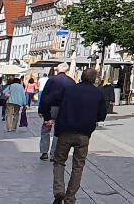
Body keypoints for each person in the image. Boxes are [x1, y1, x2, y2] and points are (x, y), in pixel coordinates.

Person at [51, 67, 109, 204]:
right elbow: (102, 115)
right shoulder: (98, 93)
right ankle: (70, 197)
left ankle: (59, 190)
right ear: (94, 79)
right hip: (84, 134)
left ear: (81, 76)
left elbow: (57, 105)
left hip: (65, 131)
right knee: (78, 166)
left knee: (59, 161)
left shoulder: (69, 90)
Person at [38, 64, 77, 160]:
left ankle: (44, 152)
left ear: (58, 70)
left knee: (46, 129)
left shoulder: (51, 80)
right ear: (67, 70)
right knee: (58, 132)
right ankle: (54, 154)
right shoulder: (71, 82)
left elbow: (44, 95)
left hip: (50, 108)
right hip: (64, 110)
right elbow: (74, 98)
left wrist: (41, 110)